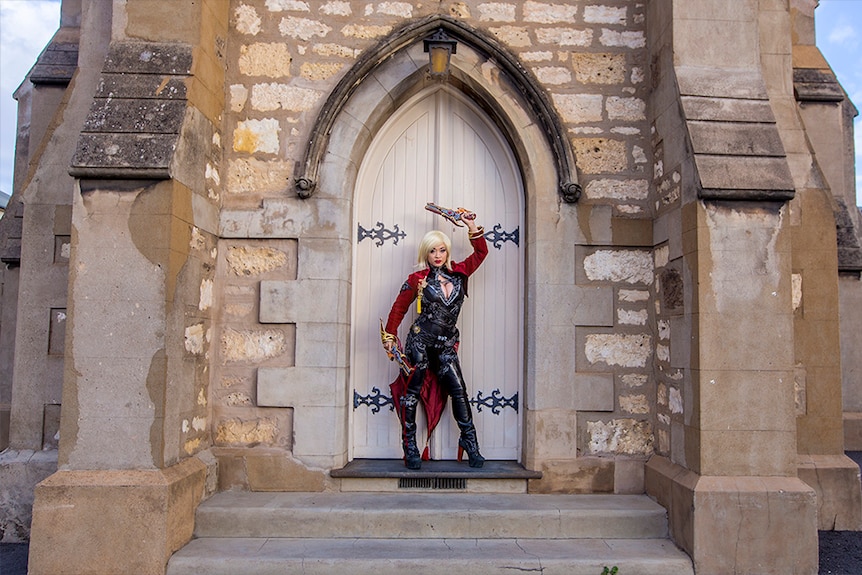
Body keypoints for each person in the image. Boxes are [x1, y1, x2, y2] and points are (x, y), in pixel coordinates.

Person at [381, 211, 488, 469]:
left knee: (458, 390)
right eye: (432, 251)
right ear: (426, 254)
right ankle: (411, 447)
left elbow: (481, 253)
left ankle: (470, 443)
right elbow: (398, 309)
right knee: (412, 393)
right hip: (420, 343)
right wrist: (390, 337)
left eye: (441, 250)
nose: (437, 255)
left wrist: (471, 225)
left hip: (446, 344)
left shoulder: (460, 273)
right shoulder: (416, 280)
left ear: (447, 251)